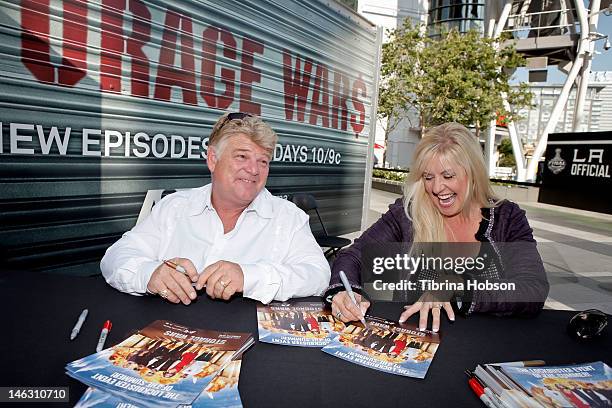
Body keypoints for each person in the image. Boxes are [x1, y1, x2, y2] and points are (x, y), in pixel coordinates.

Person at [325, 122, 549, 331]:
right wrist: (346, 291)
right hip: (418, 343)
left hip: (489, 344)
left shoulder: (507, 218)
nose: (437, 188)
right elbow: (353, 256)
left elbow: (532, 289)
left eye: (448, 175)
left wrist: (460, 286)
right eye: (428, 177)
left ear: (473, 174)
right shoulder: (408, 214)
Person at [101, 112, 330, 304]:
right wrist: (150, 273)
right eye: (242, 156)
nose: (254, 170)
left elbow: (318, 275)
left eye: (263, 161)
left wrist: (249, 276)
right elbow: (115, 258)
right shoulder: (174, 208)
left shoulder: (288, 218)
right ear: (212, 159)